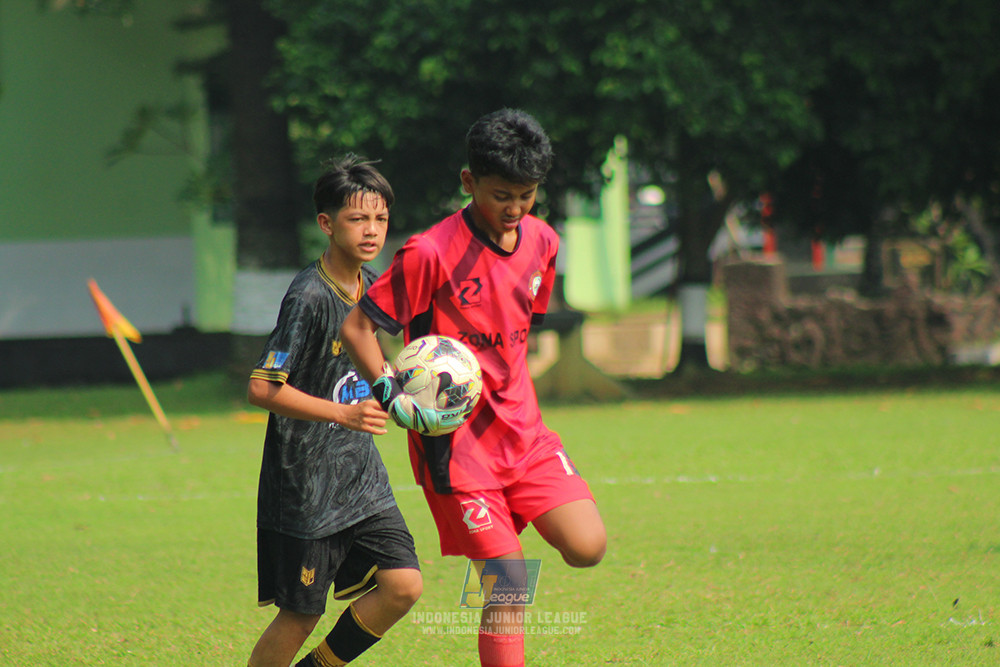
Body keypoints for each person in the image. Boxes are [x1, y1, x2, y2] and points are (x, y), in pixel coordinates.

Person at [341, 109, 606, 667]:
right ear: (469, 183)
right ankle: (494, 536)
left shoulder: (543, 242)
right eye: (501, 194)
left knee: (588, 547)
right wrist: (391, 391)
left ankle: (503, 520)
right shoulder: (430, 253)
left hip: (525, 434)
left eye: (527, 195)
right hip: (456, 447)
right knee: (508, 583)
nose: (514, 209)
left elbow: (519, 331)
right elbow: (358, 326)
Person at [246, 155, 422, 667]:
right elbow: (262, 388)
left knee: (403, 585)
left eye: (381, 219)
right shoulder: (308, 296)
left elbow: (369, 363)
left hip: (362, 476)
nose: (372, 231)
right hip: (306, 482)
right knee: (301, 615)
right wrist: (341, 414)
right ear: (327, 223)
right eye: (357, 219)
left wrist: (410, 398)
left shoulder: (374, 283)